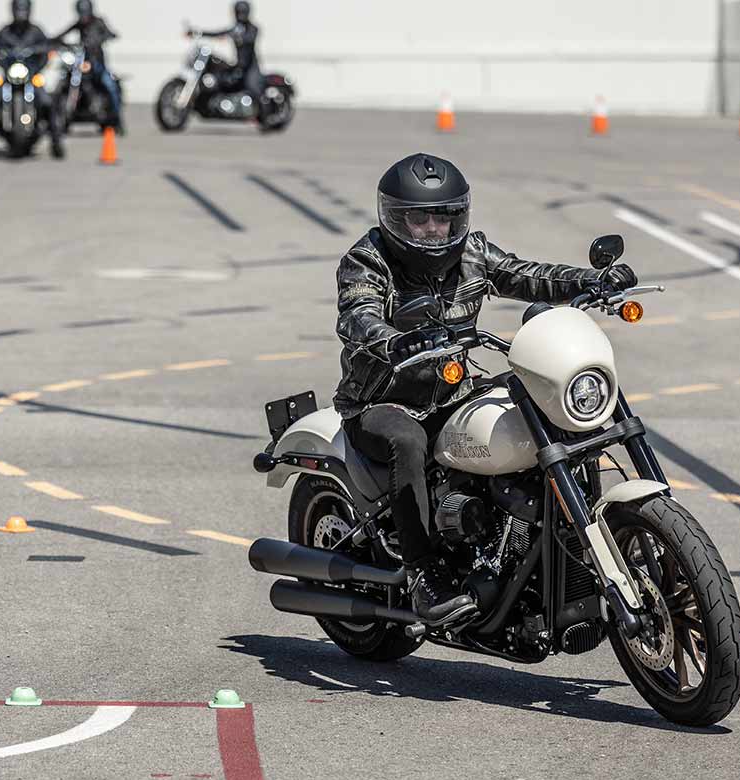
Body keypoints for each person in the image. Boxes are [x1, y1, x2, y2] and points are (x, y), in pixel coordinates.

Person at [334, 153, 637, 625]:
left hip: (452, 394)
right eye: (420, 220)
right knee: (407, 441)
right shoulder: (367, 260)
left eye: (445, 217)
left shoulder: (472, 252)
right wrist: (393, 340)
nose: (434, 230)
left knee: (533, 403)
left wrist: (592, 280)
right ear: (395, 218)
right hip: (381, 402)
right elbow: (358, 315)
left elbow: (526, 274)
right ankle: (423, 574)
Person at [0, 0, 65, 159]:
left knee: (47, 102)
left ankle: (56, 142)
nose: (21, 14)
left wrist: (49, 49)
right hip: (9, 77)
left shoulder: (36, 31)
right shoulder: (6, 31)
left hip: (32, 76)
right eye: (18, 10)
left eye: (23, 10)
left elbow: (46, 46)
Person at [55, 0, 121, 132]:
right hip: (81, 62)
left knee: (110, 86)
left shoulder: (99, 22)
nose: (83, 16)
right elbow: (63, 33)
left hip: (96, 63)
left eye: (85, 13)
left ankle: (117, 119)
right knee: (65, 77)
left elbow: (109, 33)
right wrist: (54, 40)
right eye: (81, 13)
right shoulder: (79, 24)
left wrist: (104, 37)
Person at [190, 0, 262, 116]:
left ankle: (259, 113)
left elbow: (250, 38)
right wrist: (198, 33)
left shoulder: (253, 28)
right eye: (238, 12)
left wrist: (240, 39)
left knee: (253, 88)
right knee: (223, 78)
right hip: (238, 65)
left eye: (242, 12)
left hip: (249, 66)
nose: (239, 14)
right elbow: (217, 33)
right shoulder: (236, 29)